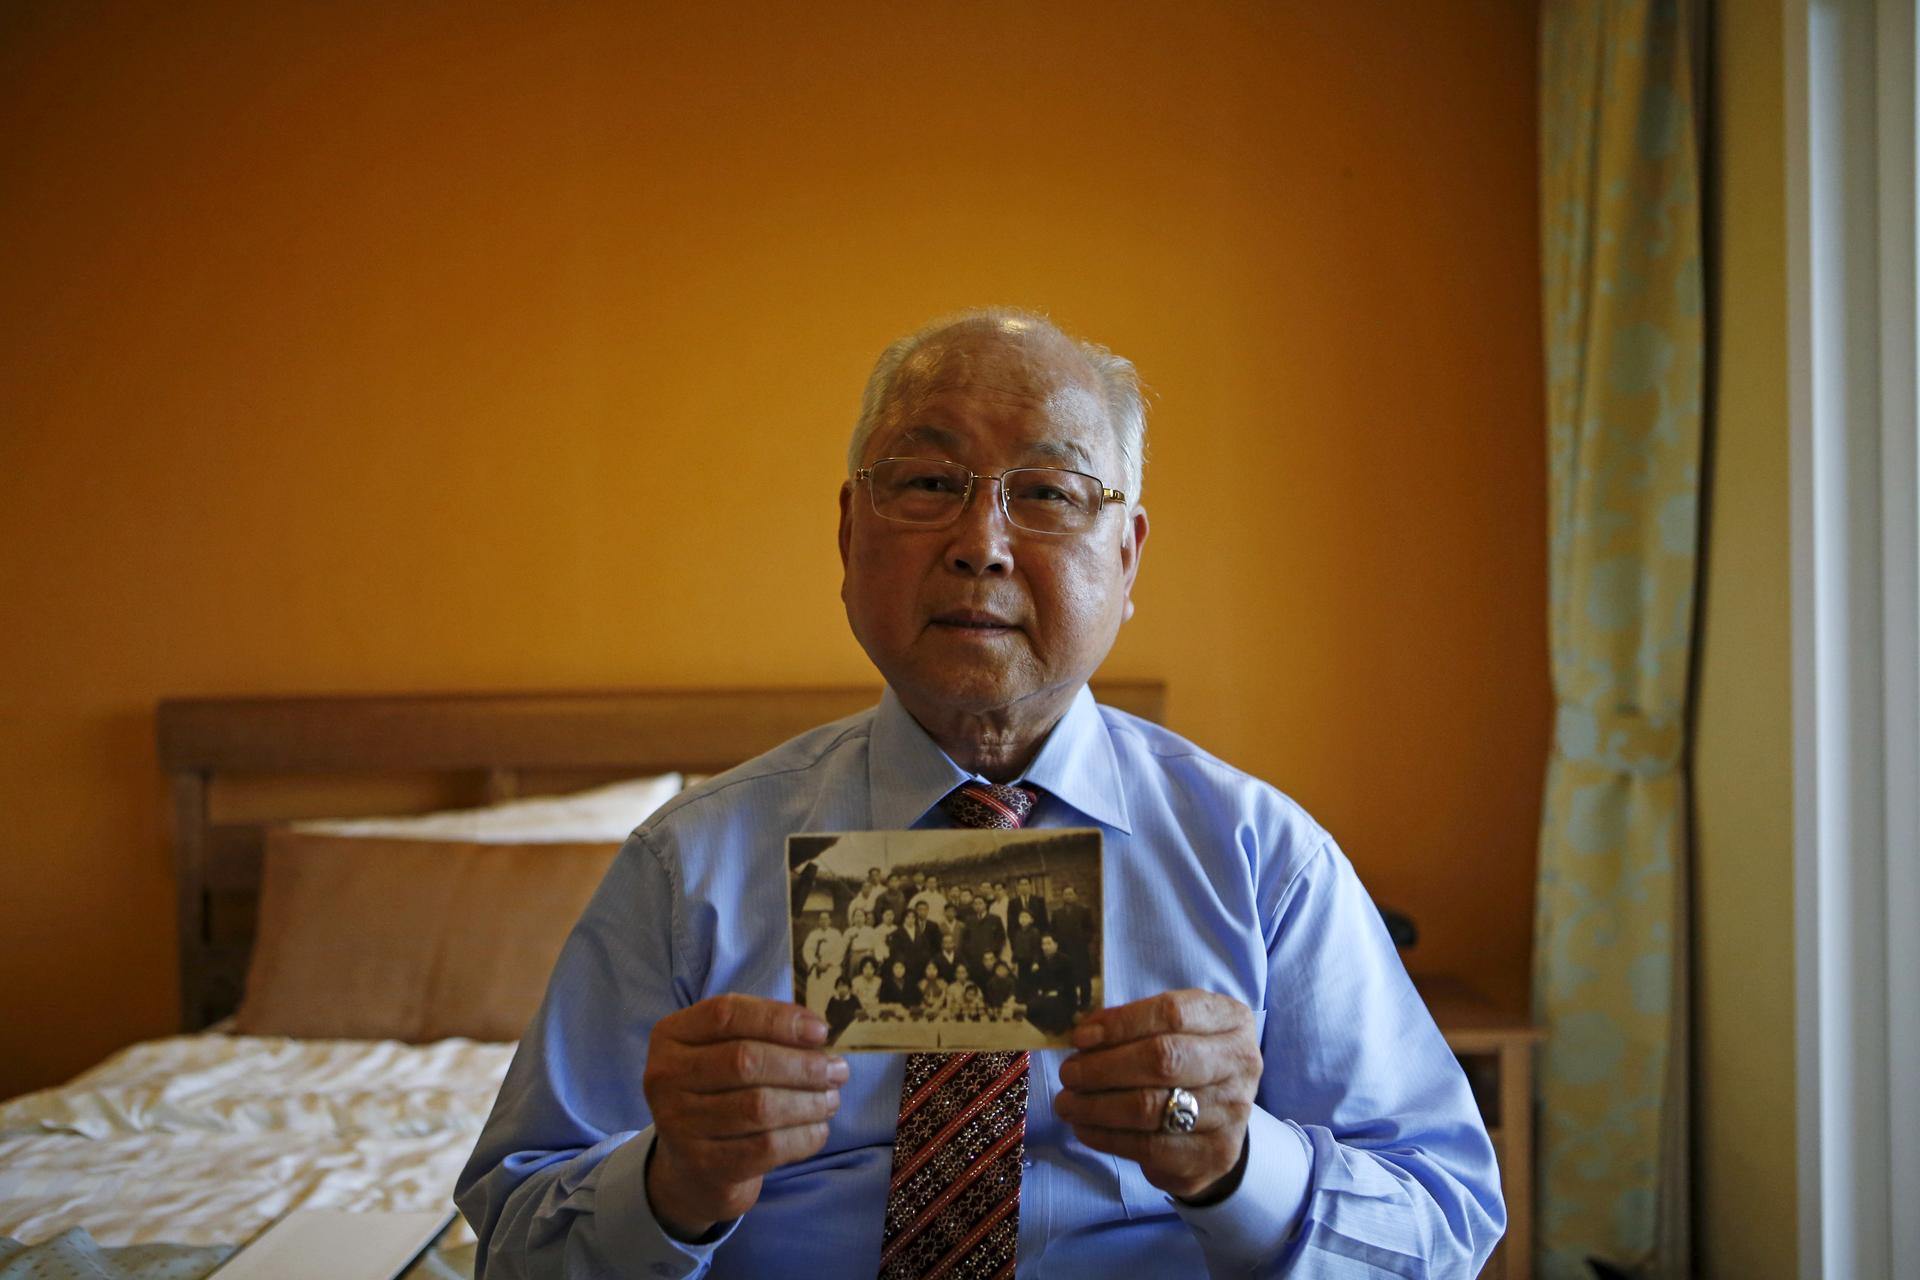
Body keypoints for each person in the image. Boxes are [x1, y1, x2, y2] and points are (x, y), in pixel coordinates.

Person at [459, 309, 1504, 1275]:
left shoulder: (1262, 859)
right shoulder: (688, 865)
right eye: (925, 482)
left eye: (1047, 493)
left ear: (1128, 555)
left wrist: (1237, 1161)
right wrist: (672, 1182)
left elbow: (1446, 1221)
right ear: (848, 534)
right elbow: (509, 1239)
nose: (981, 543)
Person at [1051, 882, 1097, 1010]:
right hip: (1064, 950)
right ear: (1062, 896)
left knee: (1083, 978)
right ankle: (1069, 1003)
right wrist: (1057, 940)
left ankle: (1085, 1003)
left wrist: (1083, 940)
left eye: (1070, 893)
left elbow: (1091, 929)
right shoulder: (1057, 913)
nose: (1068, 896)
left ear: (1075, 895)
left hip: (1080, 950)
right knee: (1067, 978)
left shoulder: (1084, 910)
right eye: (1065, 894)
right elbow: (1052, 930)